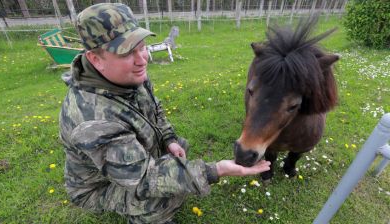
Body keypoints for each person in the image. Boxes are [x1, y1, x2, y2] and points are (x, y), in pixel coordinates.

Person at [59, 3, 270, 224]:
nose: (142, 59)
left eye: (141, 47)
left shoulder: (127, 76)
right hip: (99, 186)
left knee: (180, 151)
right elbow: (142, 179)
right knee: (160, 198)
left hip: (134, 156)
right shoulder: (92, 120)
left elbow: (154, 106)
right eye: (127, 52)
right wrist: (215, 170)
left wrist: (169, 139)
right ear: (95, 59)